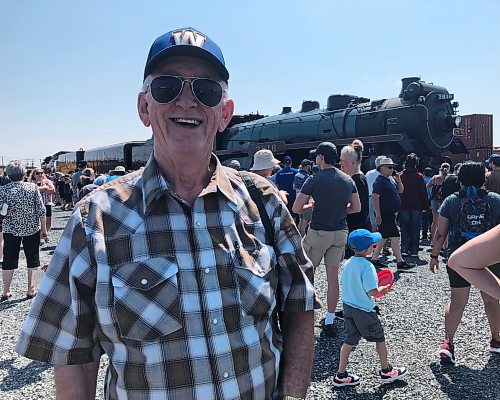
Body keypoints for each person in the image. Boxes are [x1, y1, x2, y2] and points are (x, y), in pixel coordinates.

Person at [16, 27, 316, 400]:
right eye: (167, 88)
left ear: (224, 114)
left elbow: (299, 305)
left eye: (205, 90)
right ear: (145, 107)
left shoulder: (264, 202)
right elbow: (73, 355)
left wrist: (292, 394)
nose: (187, 101)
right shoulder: (95, 218)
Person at [429, 161, 500, 363]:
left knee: (458, 302)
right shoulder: (495, 200)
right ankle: (496, 340)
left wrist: (434, 256)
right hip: (492, 257)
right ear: (483, 178)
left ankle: (448, 344)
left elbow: (440, 232)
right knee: (492, 300)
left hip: (459, 256)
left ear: (459, 179)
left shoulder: (451, 201)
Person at [293, 141, 361, 336]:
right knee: (333, 278)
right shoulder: (348, 180)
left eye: (317, 156)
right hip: (340, 232)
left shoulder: (314, 179)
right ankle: (330, 319)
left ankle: (304, 318)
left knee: (306, 274)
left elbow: (296, 208)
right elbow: (356, 208)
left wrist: (312, 206)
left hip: (318, 233)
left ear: (321, 158)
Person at [333, 229, 408, 387]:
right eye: (373, 245)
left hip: (348, 307)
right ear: (368, 248)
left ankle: (341, 374)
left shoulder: (347, 263)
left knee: (349, 340)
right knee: (379, 339)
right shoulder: (367, 266)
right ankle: (386, 371)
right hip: (364, 310)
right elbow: (372, 291)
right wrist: (385, 288)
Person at [0, 161, 47, 301]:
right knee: (34, 259)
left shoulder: (3, 190)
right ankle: (32, 289)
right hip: (32, 228)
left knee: (8, 260)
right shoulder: (33, 188)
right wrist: (44, 229)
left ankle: (6, 290)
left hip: (11, 229)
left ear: (8, 174)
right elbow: (41, 210)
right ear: (24, 173)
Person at [371, 157, 415, 270]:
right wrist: (378, 215)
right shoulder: (380, 181)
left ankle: (375, 259)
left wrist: (398, 180)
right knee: (395, 236)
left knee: (383, 237)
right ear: (381, 168)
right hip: (385, 213)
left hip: (390, 213)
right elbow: (375, 197)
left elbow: (401, 190)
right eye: (389, 167)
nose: (392, 170)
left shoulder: (389, 179)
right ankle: (400, 262)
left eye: (392, 167)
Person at [448, 224, 500, 301]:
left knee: (458, 301)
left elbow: (440, 230)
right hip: (487, 252)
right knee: (491, 302)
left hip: (463, 244)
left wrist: (434, 255)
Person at [340, 140, 370, 258]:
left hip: (357, 229)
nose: (340, 164)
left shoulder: (357, 180)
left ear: (353, 162)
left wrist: (337, 210)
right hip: (356, 227)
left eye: (343, 161)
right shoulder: (358, 178)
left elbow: (357, 208)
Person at [399, 153, 428, 257]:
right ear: (416, 164)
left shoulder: (401, 176)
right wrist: (425, 206)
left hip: (404, 205)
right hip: (417, 205)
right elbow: (423, 192)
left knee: (404, 228)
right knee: (415, 228)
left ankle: (404, 249)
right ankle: (414, 250)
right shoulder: (419, 177)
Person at [426, 162, 450, 241]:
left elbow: (427, 187)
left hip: (435, 200)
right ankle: (444, 241)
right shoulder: (449, 178)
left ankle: (433, 240)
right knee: (445, 221)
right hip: (445, 201)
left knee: (435, 221)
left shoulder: (435, 178)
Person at [365, 155, 387, 232]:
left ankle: (375, 237)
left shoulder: (368, 173)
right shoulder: (385, 174)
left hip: (371, 196)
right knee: (383, 217)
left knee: (373, 219)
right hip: (383, 198)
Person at [293, 159, 313, 236]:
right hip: (305, 201)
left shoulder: (296, 175)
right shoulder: (307, 177)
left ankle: (299, 237)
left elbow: (294, 187)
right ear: (307, 166)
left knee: (301, 220)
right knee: (306, 220)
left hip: (297, 199)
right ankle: (303, 237)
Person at [33, 168, 56, 233]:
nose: (40, 175)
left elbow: (52, 190)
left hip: (46, 203)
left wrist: (41, 189)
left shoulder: (47, 181)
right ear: (34, 175)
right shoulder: (31, 182)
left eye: (41, 173)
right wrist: (44, 188)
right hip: (35, 204)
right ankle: (39, 235)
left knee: (48, 221)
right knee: (36, 221)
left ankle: (43, 234)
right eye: (37, 173)